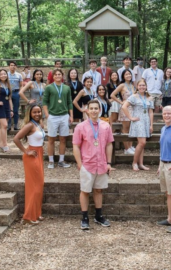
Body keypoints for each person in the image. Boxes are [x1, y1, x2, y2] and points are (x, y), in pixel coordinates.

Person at [73, 100, 113, 230]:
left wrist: (108, 162)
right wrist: (80, 163)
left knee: (99, 190)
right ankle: (84, 218)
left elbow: (109, 144)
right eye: (91, 108)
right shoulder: (81, 127)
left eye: (96, 108)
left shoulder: (106, 126)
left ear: (99, 110)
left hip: (101, 164)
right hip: (87, 164)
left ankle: (98, 215)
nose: (94, 111)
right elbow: (76, 146)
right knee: (85, 190)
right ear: (87, 110)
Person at [13, 104, 46, 225]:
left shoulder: (39, 124)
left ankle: (36, 213)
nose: (37, 114)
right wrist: (26, 151)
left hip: (39, 154)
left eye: (39, 112)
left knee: (40, 184)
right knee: (34, 186)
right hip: (32, 155)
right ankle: (28, 216)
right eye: (34, 112)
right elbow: (16, 138)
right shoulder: (29, 125)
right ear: (30, 114)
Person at [121, 79, 154, 171]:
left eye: (143, 85)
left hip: (146, 121)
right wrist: (130, 117)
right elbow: (124, 107)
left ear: (146, 86)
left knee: (141, 144)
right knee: (142, 142)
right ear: (137, 87)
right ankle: (134, 162)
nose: (142, 87)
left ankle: (141, 164)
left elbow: (150, 112)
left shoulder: (149, 98)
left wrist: (151, 125)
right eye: (140, 85)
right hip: (138, 121)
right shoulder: (134, 96)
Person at [43, 69, 73, 168]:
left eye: (59, 74)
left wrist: (71, 115)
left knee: (63, 139)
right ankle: (51, 161)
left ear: (62, 75)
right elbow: (45, 102)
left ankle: (61, 160)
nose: (57, 76)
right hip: (53, 115)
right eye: (55, 74)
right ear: (53, 77)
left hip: (64, 115)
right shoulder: (49, 88)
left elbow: (69, 102)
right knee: (51, 139)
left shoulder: (66, 88)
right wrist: (47, 115)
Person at [110, 69, 135, 154]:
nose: (128, 75)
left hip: (134, 108)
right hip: (125, 108)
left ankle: (131, 146)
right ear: (123, 76)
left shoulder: (133, 85)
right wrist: (120, 102)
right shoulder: (121, 85)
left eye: (129, 74)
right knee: (125, 128)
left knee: (132, 128)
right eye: (126, 74)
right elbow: (112, 95)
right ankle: (126, 148)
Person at [8, 61, 23, 131]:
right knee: (8, 109)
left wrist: (20, 92)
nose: (12, 66)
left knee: (16, 109)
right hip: (8, 93)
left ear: (16, 66)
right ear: (9, 66)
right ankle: (8, 125)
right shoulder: (6, 74)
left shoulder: (19, 75)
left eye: (14, 65)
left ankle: (16, 125)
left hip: (16, 92)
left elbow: (21, 85)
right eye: (11, 65)